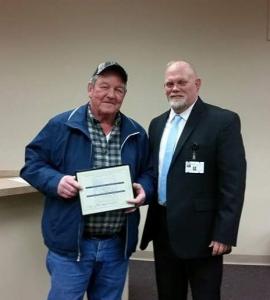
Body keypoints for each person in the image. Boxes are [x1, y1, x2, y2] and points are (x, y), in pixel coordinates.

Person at [20, 61, 154, 300]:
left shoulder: (136, 132)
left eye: (119, 89)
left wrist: (144, 190)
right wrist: (56, 181)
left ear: (124, 94)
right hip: (72, 247)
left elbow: (149, 173)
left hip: (116, 246)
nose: (111, 95)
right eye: (104, 86)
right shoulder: (61, 125)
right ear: (90, 89)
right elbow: (32, 164)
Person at [140, 60, 246, 300]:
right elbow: (154, 173)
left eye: (181, 82)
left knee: (205, 295)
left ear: (197, 84)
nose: (174, 88)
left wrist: (224, 232)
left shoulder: (222, 121)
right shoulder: (156, 125)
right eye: (169, 83)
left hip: (204, 233)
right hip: (163, 228)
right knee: (168, 293)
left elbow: (233, 181)